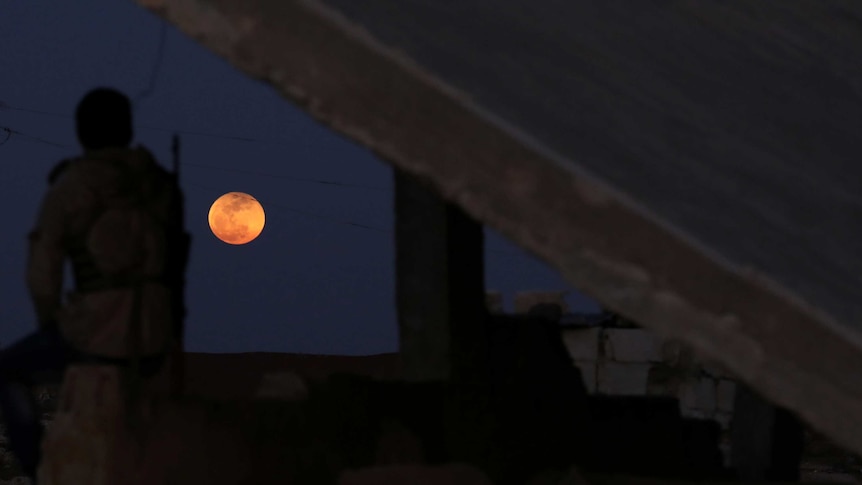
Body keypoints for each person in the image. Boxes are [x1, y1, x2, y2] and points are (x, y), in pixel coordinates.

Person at [0, 88, 187, 479]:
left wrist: (50, 321)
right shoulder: (159, 183)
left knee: (7, 373)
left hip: (96, 334)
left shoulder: (74, 185)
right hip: (157, 331)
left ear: (83, 131)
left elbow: (43, 271)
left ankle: (37, 469)